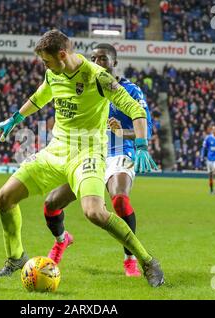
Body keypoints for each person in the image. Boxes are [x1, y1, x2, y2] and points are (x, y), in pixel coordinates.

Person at [0, 30, 164, 287]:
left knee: (94, 212)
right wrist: (14, 119)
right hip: (56, 151)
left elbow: (135, 109)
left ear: (62, 55)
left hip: (88, 153)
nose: (44, 66)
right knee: (5, 197)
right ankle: (16, 258)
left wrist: (140, 144)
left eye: (47, 61)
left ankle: (148, 261)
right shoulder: (53, 73)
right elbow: (39, 97)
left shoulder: (97, 77)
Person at [42, 43, 154, 277]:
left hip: (120, 151)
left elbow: (146, 129)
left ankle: (130, 258)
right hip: (89, 154)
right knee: (51, 203)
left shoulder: (130, 90)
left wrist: (124, 132)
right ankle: (62, 240)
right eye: (93, 58)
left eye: (102, 59)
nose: (96, 62)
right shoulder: (82, 85)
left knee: (120, 200)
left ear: (114, 63)